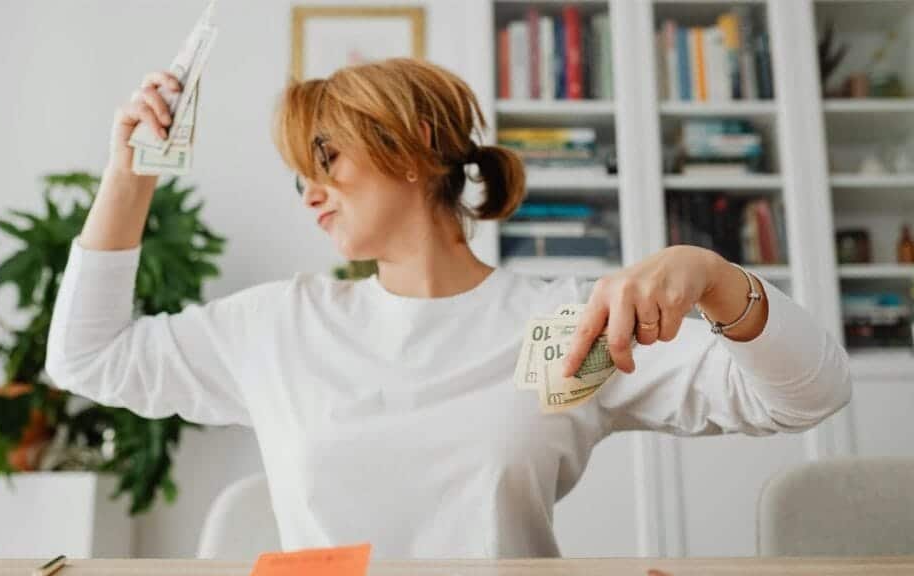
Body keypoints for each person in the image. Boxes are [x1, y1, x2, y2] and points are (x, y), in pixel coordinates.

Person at [45, 58, 851, 558]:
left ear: (421, 145)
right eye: (301, 175)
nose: (311, 194)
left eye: (326, 158)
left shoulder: (567, 323)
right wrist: (131, 175)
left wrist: (712, 276)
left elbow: (810, 395)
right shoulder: (277, 328)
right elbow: (87, 359)